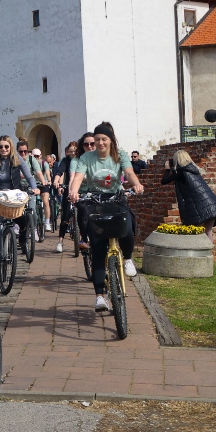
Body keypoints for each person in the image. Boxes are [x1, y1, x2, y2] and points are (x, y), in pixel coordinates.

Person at [69, 123, 144, 312]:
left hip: (116, 198)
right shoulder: (87, 157)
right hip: (95, 201)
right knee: (98, 248)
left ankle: (127, 259)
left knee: (127, 228)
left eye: (104, 139)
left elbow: (129, 172)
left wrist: (136, 184)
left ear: (111, 140)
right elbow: (78, 176)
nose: (100, 143)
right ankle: (100, 296)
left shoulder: (120, 155)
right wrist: (74, 191)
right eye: (97, 139)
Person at [0, 135, 37, 254]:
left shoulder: (17, 159)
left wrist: (34, 188)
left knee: (23, 219)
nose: (3, 149)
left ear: (11, 147)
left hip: (14, 194)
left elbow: (29, 176)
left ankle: (23, 238)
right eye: (0, 147)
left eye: (6, 146)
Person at [161, 150, 216, 240]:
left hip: (200, 208)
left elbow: (164, 181)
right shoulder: (194, 169)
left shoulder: (181, 171)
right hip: (212, 205)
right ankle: (209, 249)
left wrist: (167, 169)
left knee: (194, 234)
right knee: (208, 232)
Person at [52, 141, 78, 253]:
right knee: (65, 216)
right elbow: (60, 171)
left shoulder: (81, 159)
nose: (72, 153)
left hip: (80, 188)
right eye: (70, 151)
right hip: (68, 187)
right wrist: (56, 181)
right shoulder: (65, 160)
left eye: (74, 151)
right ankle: (60, 241)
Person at [23, 144, 52, 232]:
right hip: (33, 184)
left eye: (37, 156)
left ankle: (47, 222)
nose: (36, 157)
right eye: (34, 156)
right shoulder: (30, 161)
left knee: (46, 202)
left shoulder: (44, 163)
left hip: (43, 183)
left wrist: (48, 180)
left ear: (40, 156)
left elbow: (47, 173)